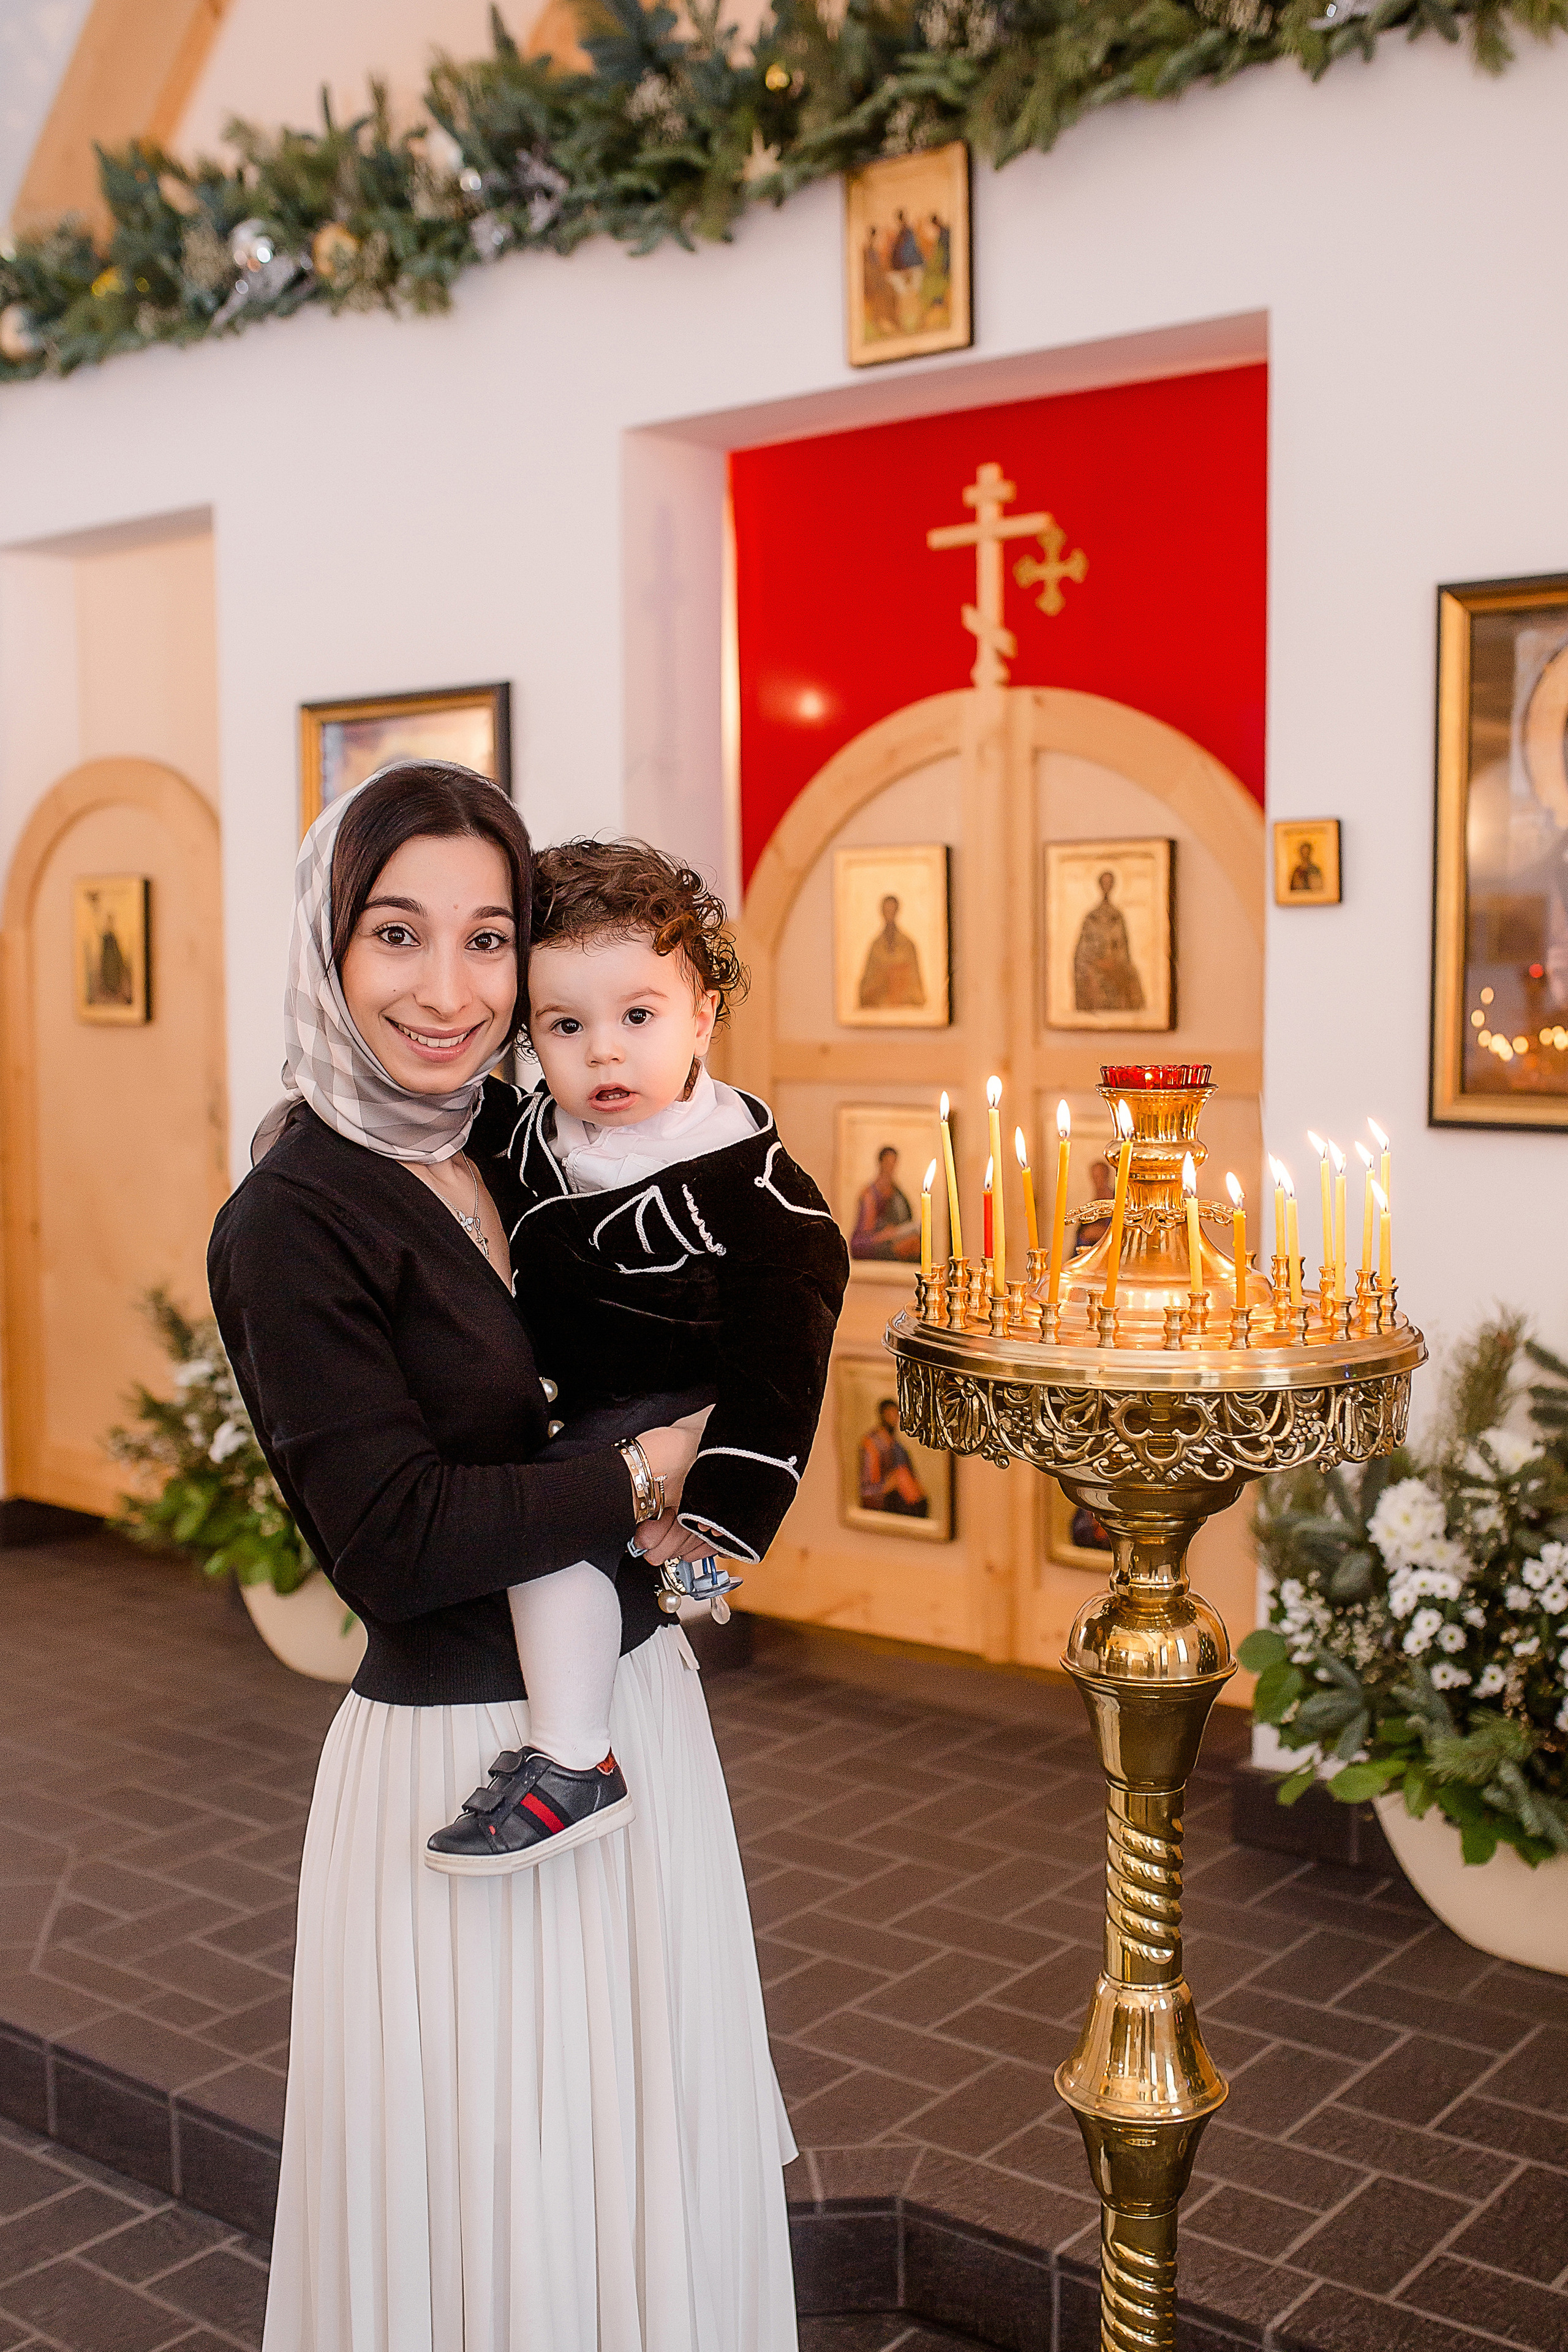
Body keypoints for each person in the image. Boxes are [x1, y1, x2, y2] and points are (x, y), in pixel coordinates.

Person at [208, 762, 801, 2351]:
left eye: (491, 940)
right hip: (459, 1763)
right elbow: (395, 1547)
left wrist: (721, 1476)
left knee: (640, 2175)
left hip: (633, 1720)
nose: (451, 990)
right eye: (398, 935)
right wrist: (642, 1473)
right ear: (330, 947)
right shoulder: (293, 1216)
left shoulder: (520, 1143)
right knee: (495, 2217)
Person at [426, 836, 848, 1871]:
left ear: (702, 1013)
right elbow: (455, 1138)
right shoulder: (535, 1136)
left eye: (639, 1018)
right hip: (567, 1393)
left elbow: (781, 1365)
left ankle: (573, 1759)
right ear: (528, 1033)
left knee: (546, 1521)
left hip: (667, 1404)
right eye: (566, 1026)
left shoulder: (752, 1190)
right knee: (529, 1499)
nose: (604, 1054)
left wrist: (721, 1506)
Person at [1072, 869, 1145, 1012]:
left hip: (1115, 964)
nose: (1107, 886)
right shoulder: (1091, 917)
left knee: (1132, 976)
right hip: (1095, 965)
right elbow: (1082, 949)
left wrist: (1116, 961)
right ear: (1099, 885)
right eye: (1104, 883)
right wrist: (1097, 961)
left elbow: (1124, 947)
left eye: (1110, 883)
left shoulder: (1118, 917)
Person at [858, 1398, 928, 1517]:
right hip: (880, 1500)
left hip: (902, 1501)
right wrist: (889, 1485)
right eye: (890, 1414)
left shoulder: (899, 1448)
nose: (894, 1418)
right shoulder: (871, 1445)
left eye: (896, 1415)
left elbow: (911, 1478)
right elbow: (867, 1490)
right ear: (882, 1415)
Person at [850, 1144, 919, 1261]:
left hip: (894, 1238)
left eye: (893, 1163)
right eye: (888, 1163)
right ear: (881, 1163)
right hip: (873, 1244)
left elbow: (906, 1220)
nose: (891, 1167)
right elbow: (860, 1241)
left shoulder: (897, 1194)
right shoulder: (870, 1195)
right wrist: (884, 1235)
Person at [857, 892, 926, 1009]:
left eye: (892, 910)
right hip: (880, 1006)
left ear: (897, 911)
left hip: (904, 1007)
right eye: (886, 911)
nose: (889, 914)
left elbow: (916, 986)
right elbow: (866, 988)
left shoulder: (908, 945)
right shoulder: (876, 946)